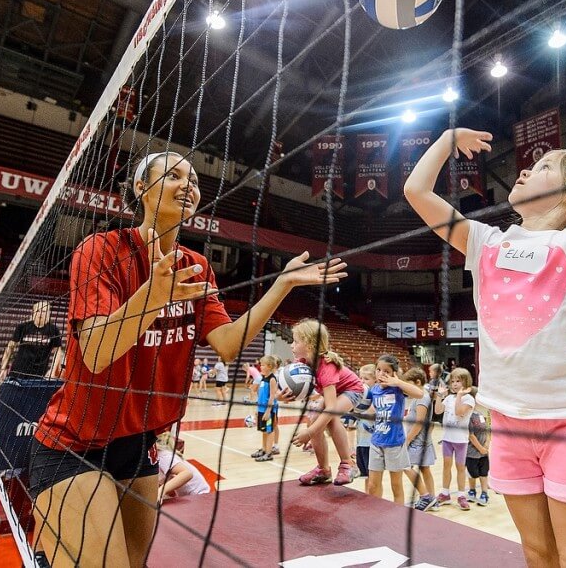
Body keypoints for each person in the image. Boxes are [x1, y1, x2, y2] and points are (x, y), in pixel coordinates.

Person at [27, 151, 346, 568]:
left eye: (194, 179)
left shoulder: (196, 266)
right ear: (141, 188)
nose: (189, 184)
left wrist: (281, 284)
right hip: (74, 444)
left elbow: (229, 345)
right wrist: (153, 297)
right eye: (174, 175)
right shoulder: (101, 249)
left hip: (138, 443)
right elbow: (97, 352)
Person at [404, 74, 566, 565]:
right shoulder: (485, 240)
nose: (525, 171)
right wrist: (446, 140)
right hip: (507, 421)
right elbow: (417, 190)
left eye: (544, 166)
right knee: (537, 552)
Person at [285, 318, 365, 486]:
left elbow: (331, 408)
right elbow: (298, 387)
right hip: (333, 393)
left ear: (309, 344)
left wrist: (310, 433)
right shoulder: (302, 363)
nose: (292, 345)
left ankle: (348, 464)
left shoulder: (327, 367)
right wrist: (282, 396)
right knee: (313, 420)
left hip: (352, 390)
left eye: (296, 341)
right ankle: (323, 469)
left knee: (331, 417)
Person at [367, 355, 425, 504]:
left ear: (393, 373)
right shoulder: (373, 391)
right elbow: (371, 410)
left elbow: (419, 393)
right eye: (378, 370)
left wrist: (398, 382)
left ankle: (398, 516)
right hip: (376, 442)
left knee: (396, 485)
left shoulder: (398, 389)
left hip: (394, 443)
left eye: (386, 371)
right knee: (373, 485)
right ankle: (375, 513)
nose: (381, 374)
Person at [433, 367, 477, 510]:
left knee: (460, 468)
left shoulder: (469, 399)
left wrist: (459, 396)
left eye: (458, 381)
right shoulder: (449, 398)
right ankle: (445, 493)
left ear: (466, 382)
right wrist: (439, 396)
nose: (455, 384)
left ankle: (461, 495)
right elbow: (438, 411)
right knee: (446, 466)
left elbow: (459, 412)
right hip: (447, 438)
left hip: (461, 440)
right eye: (452, 381)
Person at [401, 367, 437, 511]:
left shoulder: (422, 397)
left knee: (405, 466)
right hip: (421, 440)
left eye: (409, 384)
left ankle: (426, 496)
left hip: (417, 441)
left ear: (417, 382)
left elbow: (420, 421)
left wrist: (408, 439)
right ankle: (432, 499)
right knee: (424, 469)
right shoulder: (420, 397)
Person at [0, 301, 63, 382]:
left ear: (48, 313)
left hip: (39, 375)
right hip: (18, 372)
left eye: (43, 311)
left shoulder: (54, 330)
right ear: (33, 312)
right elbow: (10, 347)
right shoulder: (22, 327)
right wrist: (3, 368)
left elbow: (58, 351)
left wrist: (52, 371)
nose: (40, 314)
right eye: (38, 311)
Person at [156, 433, 210, 501]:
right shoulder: (156, 458)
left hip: (200, 495)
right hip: (188, 496)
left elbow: (187, 473)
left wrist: (162, 490)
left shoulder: (163, 457)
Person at [465, 393, 491, 507]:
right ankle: (472, 490)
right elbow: (471, 435)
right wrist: (480, 448)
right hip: (472, 452)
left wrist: (486, 445)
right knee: (472, 474)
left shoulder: (479, 414)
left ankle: (485, 493)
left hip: (484, 452)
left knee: (483, 473)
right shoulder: (467, 417)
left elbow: (487, 431)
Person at [252, 356, 280, 461]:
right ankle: (264, 450)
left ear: (269, 366)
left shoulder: (272, 379)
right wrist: (257, 409)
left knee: (269, 431)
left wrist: (268, 411)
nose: (260, 366)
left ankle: (268, 453)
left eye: (263, 365)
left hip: (269, 411)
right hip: (261, 409)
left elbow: (272, 396)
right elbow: (260, 395)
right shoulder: (263, 377)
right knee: (263, 431)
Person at [354, 364, 377, 482]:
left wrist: (356, 409)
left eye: (366, 379)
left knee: (373, 477)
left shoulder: (375, 394)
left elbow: (372, 411)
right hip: (361, 441)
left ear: (375, 380)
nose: (362, 381)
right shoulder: (360, 394)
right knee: (366, 477)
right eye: (361, 378)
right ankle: (367, 497)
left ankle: (374, 498)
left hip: (371, 442)